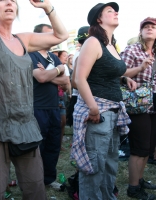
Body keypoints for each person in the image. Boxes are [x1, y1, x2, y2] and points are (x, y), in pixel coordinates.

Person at [0, 0, 68, 199]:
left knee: (35, 188)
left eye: (13, 1)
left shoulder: (24, 40)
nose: (9, 3)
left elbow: (61, 35)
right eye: (2, 0)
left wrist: (47, 7)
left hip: (24, 124)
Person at [71, 2, 137, 200]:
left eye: (115, 10)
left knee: (109, 164)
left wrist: (125, 78)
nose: (115, 12)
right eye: (110, 11)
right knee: (94, 166)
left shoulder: (110, 44)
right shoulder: (93, 42)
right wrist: (93, 109)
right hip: (98, 113)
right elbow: (78, 79)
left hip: (113, 112)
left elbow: (108, 72)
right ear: (99, 19)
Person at [29, 23, 69, 189]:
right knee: (38, 147)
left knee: (53, 145)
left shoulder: (54, 58)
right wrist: (58, 71)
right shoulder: (30, 55)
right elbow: (40, 78)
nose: (53, 37)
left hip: (54, 107)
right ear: (37, 36)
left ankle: (49, 178)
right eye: (48, 34)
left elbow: (66, 82)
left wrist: (50, 73)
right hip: (36, 108)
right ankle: (34, 181)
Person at [120, 17, 156, 200]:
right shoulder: (133, 49)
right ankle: (133, 189)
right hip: (138, 104)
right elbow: (120, 72)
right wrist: (141, 67)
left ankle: (140, 180)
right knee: (139, 148)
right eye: (146, 27)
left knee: (148, 148)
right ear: (140, 32)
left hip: (153, 104)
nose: (150, 29)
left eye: (153, 27)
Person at [66, 26, 90, 127]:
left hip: (81, 96)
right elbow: (75, 82)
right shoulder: (82, 54)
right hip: (82, 97)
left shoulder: (80, 53)